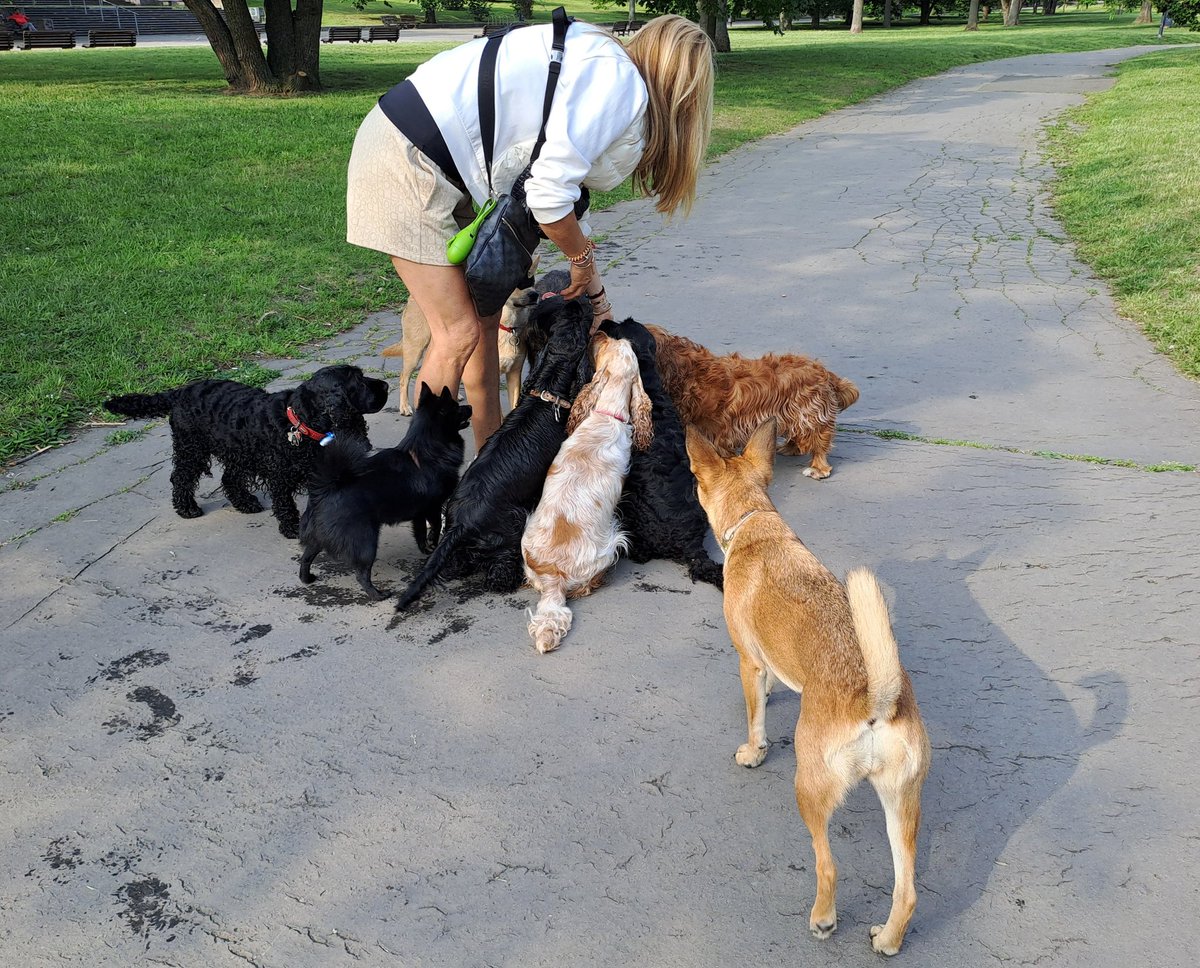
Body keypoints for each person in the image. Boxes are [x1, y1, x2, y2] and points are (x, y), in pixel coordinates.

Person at [346, 14, 715, 450]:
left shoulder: (599, 67)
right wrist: (581, 262)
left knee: (483, 328)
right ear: (682, 89)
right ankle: (416, 483)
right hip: (407, 153)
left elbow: (565, 196)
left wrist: (597, 299)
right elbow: (547, 199)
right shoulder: (620, 84)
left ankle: (490, 463)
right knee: (457, 333)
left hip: (446, 159)